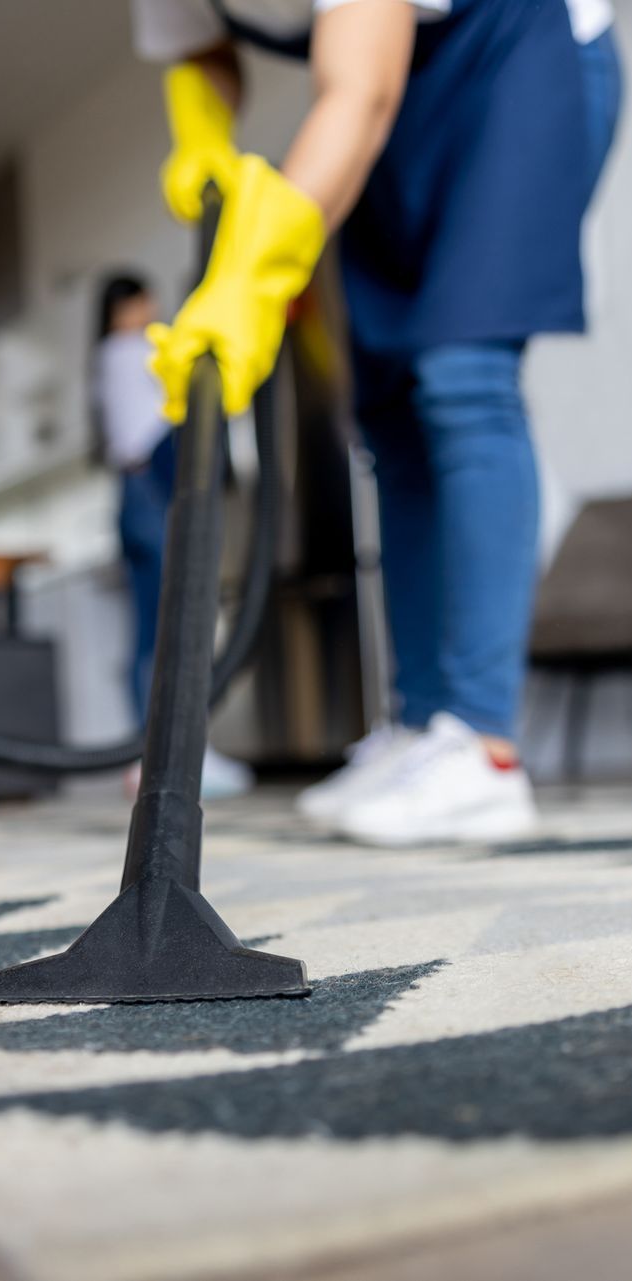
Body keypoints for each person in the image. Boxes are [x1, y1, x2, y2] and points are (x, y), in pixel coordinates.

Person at [134, 0, 621, 845]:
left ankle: (482, 747)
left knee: (463, 378)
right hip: (393, 101)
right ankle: (422, 726)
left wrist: (257, 275)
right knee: (389, 418)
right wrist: (202, 134)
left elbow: (359, 93)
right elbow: (200, 45)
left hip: (514, 55)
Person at [94, 271, 254, 800]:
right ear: (132, 304)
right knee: (179, 624)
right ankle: (182, 759)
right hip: (156, 496)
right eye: (149, 300)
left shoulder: (103, 357)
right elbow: (180, 411)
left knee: (148, 632)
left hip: (129, 497)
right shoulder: (137, 349)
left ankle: (148, 759)